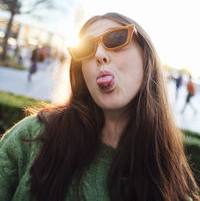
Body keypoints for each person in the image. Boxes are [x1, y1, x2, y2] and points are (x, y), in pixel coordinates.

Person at [0, 12, 199, 201]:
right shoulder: (31, 136)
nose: (99, 55)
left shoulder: (171, 177)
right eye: (85, 49)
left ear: (147, 56)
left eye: (116, 39)